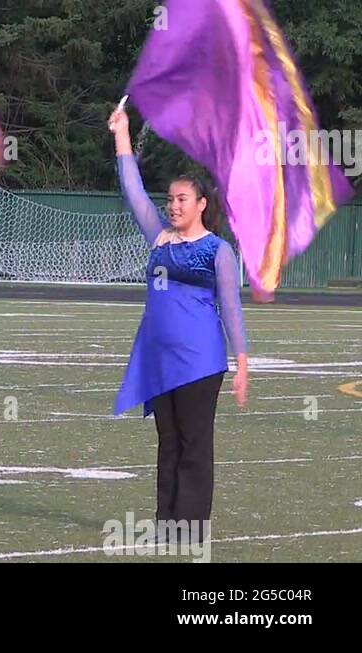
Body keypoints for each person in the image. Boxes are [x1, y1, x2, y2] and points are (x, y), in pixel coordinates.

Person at [109, 107, 249, 540]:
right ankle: (167, 523)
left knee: (194, 445)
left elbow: (231, 307)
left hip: (201, 362)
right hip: (159, 359)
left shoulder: (218, 251)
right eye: (170, 199)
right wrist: (122, 134)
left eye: (181, 199)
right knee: (167, 443)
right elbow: (133, 191)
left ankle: (191, 527)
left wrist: (242, 361)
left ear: (201, 204)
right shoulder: (159, 237)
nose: (172, 206)